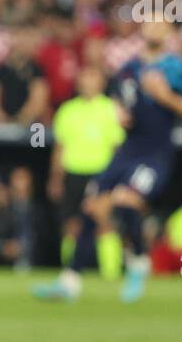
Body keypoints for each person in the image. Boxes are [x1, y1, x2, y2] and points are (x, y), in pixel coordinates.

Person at [34, 13, 182, 303]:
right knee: (91, 207)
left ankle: (139, 260)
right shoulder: (129, 69)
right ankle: (70, 282)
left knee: (127, 200)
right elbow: (120, 103)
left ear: (167, 32)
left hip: (155, 152)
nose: (153, 27)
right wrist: (120, 114)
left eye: (160, 23)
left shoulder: (177, 69)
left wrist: (166, 98)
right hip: (128, 149)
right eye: (149, 22)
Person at [47, 65, 125, 274]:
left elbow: (118, 148)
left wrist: (119, 177)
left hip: (101, 173)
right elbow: (59, 148)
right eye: (84, 76)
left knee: (104, 222)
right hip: (73, 173)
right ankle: (70, 272)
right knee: (71, 225)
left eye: (93, 75)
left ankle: (111, 272)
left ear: (102, 81)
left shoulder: (112, 109)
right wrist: (56, 178)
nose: (87, 81)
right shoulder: (67, 110)